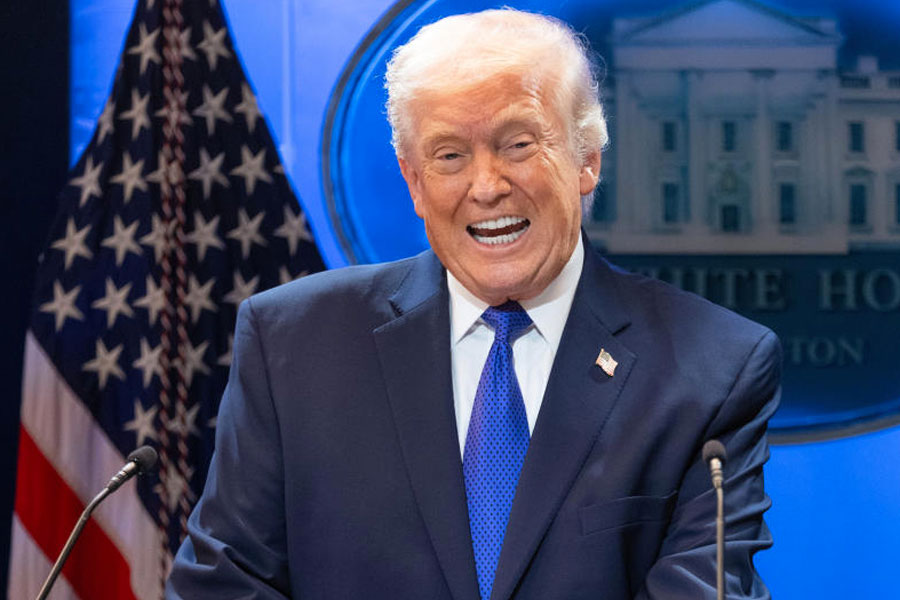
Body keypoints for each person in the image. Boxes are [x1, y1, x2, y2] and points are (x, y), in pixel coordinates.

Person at [167, 8, 780, 599]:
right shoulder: (292, 343)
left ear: (587, 159)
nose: (487, 187)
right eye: (450, 156)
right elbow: (225, 585)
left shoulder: (714, 367)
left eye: (517, 144)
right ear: (413, 181)